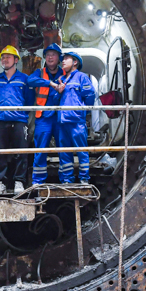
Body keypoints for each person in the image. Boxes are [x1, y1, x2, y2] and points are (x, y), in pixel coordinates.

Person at [0, 45, 33, 194]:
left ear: (16, 60)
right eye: (3, 57)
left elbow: (29, 100)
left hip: (19, 121)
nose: (4, 60)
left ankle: (19, 181)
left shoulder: (24, 79)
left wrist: (20, 114)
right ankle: (1, 182)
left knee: (21, 152)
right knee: (0, 152)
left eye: (8, 57)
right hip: (0, 121)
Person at [25, 43, 64, 185]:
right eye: (48, 55)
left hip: (61, 118)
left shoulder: (65, 73)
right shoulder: (40, 73)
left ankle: (66, 180)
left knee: (64, 149)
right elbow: (30, 80)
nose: (50, 57)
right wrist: (50, 83)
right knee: (40, 150)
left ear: (59, 58)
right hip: (43, 118)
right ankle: (38, 181)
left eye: (53, 55)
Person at [55, 51, 96, 184]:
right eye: (63, 59)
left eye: (66, 58)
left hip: (76, 121)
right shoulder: (61, 79)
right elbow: (55, 99)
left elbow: (90, 96)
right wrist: (59, 91)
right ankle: (67, 179)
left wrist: (82, 112)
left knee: (81, 150)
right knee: (64, 152)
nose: (63, 61)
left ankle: (84, 178)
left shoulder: (81, 77)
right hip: (62, 122)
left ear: (75, 62)